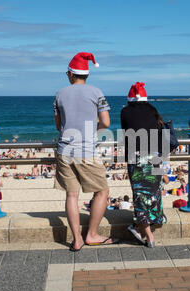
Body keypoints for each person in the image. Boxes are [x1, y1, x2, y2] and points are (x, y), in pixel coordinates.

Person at [53, 52, 117, 252]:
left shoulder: (60, 94)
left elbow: (58, 126)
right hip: (86, 151)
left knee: (72, 196)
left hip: (65, 151)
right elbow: (106, 122)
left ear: (72, 74)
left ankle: (77, 239)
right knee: (103, 191)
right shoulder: (96, 92)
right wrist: (92, 129)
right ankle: (92, 234)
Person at [121, 82, 167, 248]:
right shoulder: (153, 110)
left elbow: (126, 134)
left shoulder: (125, 111)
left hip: (137, 157)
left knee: (139, 194)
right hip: (156, 157)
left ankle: (146, 234)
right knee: (154, 192)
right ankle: (146, 225)